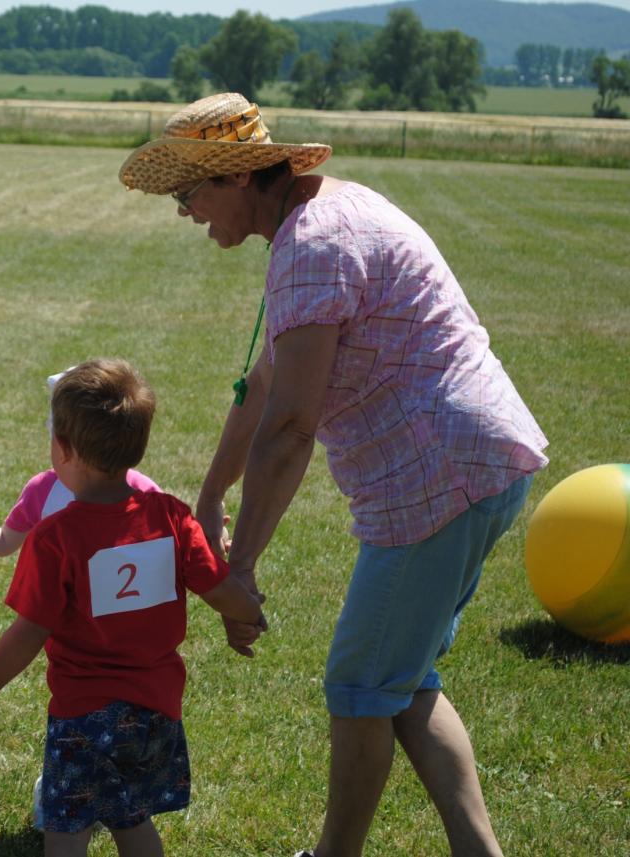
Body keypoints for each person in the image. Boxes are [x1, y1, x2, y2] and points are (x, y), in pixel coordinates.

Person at [119, 92, 549, 857]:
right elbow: (266, 379)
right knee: (402, 677)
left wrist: (240, 569)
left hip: (437, 476)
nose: (184, 211)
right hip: (477, 463)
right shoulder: (316, 222)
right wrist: (214, 491)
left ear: (239, 176)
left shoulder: (313, 243)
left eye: (188, 191)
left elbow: (290, 428)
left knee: (359, 684)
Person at [0, 359, 267, 857]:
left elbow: (28, 633)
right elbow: (220, 587)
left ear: (63, 448)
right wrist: (250, 614)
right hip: (157, 709)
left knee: (67, 827)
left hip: (84, 713)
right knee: (129, 816)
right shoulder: (171, 517)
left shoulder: (56, 538)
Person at [0, 368, 161, 558]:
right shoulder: (149, 495)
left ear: (63, 449)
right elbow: (4, 540)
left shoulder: (44, 491)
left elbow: (5, 542)